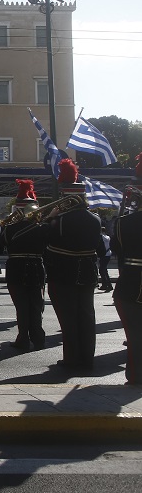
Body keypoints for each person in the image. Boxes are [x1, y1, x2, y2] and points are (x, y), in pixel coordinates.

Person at [44, 158, 103, 373]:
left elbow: (44, 240)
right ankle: (87, 359)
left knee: (68, 318)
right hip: (87, 272)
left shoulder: (59, 220)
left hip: (63, 272)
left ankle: (71, 358)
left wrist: (48, 219)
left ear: (65, 196)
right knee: (87, 316)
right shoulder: (95, 219)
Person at [1, 179, 48, 351]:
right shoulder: (42, 228)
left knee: (21, 306)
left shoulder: (9, 229)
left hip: (17, 268)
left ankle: (23, 338)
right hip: (36, 267)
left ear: (18, 210)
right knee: (36, 305)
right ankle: (38, 337)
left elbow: (2, 243)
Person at [111, 152, 142, 384]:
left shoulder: (123, 223)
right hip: (131, 284)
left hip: (130, 283)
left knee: (134, 336)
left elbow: (118, 252)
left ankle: (135, 375)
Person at [99, 227, 113, 292]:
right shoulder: (108, 237)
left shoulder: (102, 237)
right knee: (103, 270)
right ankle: (105, 285)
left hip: (104, 255)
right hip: (108, 254)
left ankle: (108, 285)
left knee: (103, 270)